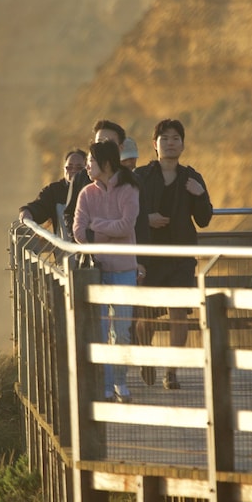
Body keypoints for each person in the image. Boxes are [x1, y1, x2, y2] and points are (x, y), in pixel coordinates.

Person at [133, 119, 213, 390]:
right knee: (147, 315)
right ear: (154, 144)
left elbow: (204, 220)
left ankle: (172, 370)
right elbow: (128, 214)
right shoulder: (141, 177)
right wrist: (147, 218)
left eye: (176, 138)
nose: (170, 143)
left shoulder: (192, 177)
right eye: (165, 138)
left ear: (183, 143)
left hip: (181, 256)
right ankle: (147, 359)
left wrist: (200, 195)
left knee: (180, 313)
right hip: (149, 255)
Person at [73, 141, 141, 403]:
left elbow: (126, 226)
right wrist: (104, 231)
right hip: (96, 271)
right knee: (99, 331)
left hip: (124, 269)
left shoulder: (129, 189)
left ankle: (120, 382)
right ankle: (103, 385)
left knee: (121, 331)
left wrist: (97, 227)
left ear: (106, 163)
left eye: (91, 160)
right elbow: (79, 232)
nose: (87, 165)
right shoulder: (86, 193)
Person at [63, 120, 127, 239]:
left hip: (122, 253)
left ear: (121, 148)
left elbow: (138, 224)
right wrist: (84, 239)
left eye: (109, 143)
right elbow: (70, 214)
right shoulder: (81, 178)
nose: (104, 148)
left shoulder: (131, 180)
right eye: (100, 142)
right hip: (88, 252)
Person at [18, 148, 87, 239]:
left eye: (79, 168)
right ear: (64, 169)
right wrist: (27, 211)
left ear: (87, 169)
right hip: (64, 251)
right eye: (69, 167)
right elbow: (40, 206)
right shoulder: (54, 191)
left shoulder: (93, 191)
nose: (73, 171)